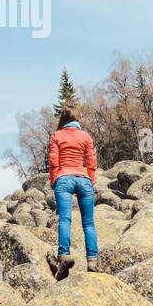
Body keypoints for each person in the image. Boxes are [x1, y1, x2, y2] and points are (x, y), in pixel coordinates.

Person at [44, 106, 98, 280]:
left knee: (65, 219)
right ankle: (92, 261)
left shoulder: (56, 136)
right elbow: (91, 161)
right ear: (76, 118)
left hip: (64, 178)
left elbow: (53, 161)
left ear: (63, 119)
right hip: (83, 180)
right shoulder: (86, 136)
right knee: (89, 224)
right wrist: (91, 180)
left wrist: (54, 180)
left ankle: (64, 255)